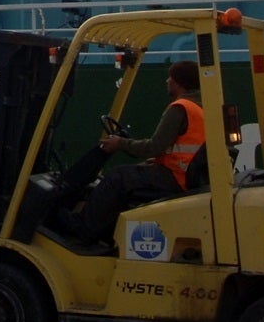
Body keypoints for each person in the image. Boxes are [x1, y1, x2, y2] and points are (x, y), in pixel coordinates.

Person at [68, 60, 206, 246]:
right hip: (186, 175)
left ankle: (83, 229)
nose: (167, 81)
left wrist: (120, 143)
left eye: (170, 78)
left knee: (117, 178)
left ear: (179, 82)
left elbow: (153, 147)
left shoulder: (180, 108)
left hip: (177, 178)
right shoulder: (201, 106)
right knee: (131, 176)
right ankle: (107, 234)